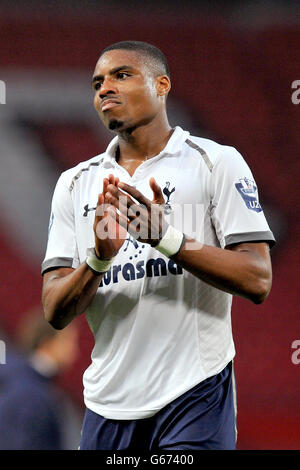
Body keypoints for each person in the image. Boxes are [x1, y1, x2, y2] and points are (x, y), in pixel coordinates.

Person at [41, 40, 275, 450]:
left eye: (121, 75)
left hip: (195, 394)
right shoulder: (75, 183)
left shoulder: (215, 162)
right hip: (107, 403)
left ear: (162, 85)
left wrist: (167, 239)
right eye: (97, 83)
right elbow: (54, 310)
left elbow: (258, 278)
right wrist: (98, 259)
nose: (104, 89)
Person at [0, 312, 80, 449]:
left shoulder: (24, 382)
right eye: (67, 341)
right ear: (47, 343)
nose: (74, 350)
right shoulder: (30, 394)